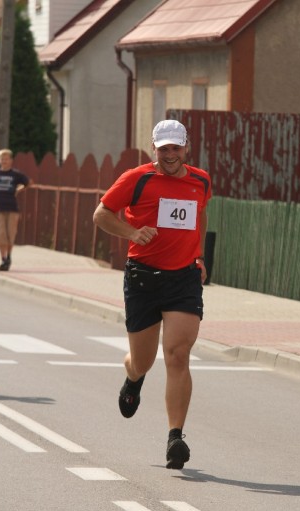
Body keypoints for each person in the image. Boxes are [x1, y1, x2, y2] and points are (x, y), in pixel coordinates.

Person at [93, 119, 211, 469]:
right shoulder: (137, 178)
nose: (170, 154)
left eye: (176, 148)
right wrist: (132, 232)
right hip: (143, 278)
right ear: (154, 149)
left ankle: (175, 437)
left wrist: (199, 255)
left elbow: (201, 215)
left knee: (177, 354)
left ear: (186, 148)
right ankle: (133, 377)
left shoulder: (201, 180)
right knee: (142, 360)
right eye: (164, 149)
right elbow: (101, 214)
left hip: (183, 279)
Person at [0, 149, 31, 271]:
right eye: (2, 159)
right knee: (1, 236)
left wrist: (18, 190)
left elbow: (28, 182)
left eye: (6, 159)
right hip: (0, 208)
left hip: (12, 208)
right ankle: (3, 259)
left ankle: (9, 256)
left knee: (10, 234)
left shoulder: (16, 174)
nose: (4, 161)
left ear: (11, 160)